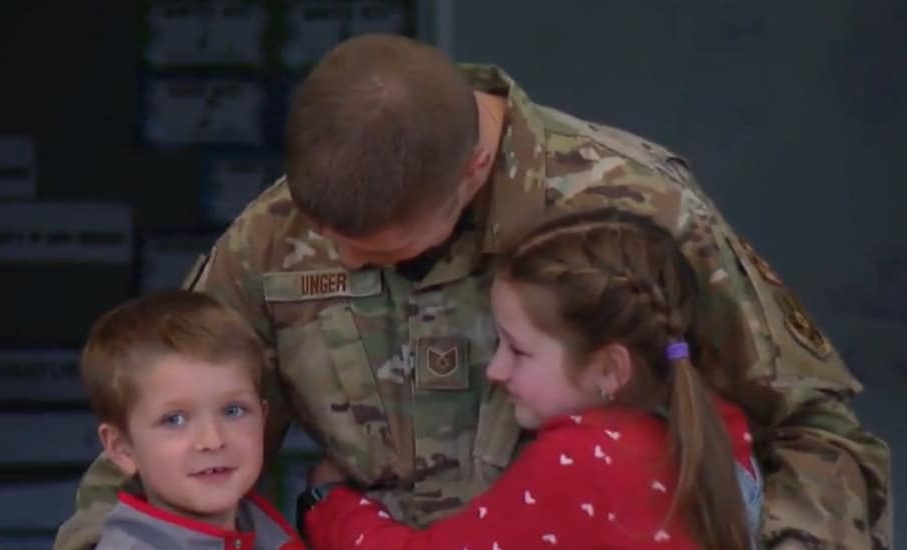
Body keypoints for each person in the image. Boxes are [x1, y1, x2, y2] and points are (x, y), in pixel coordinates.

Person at [53, 33, 890, 550]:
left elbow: (818, 435)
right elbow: (154, 417)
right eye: (330, 240)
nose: (341, 257)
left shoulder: (630, 208)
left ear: (475, 171)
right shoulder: (278, 231)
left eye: (385, 249)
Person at [300, 209, 764, 549]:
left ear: (609, 370)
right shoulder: (716, 430)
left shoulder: (585, 460)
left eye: (518, 350)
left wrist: (330, 503)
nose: (497, 370)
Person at [79, 290, 303, 550]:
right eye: (174, 420)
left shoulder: (259, 524)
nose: (212, 440)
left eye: (233, 411)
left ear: (263, 419)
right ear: (122, 448)